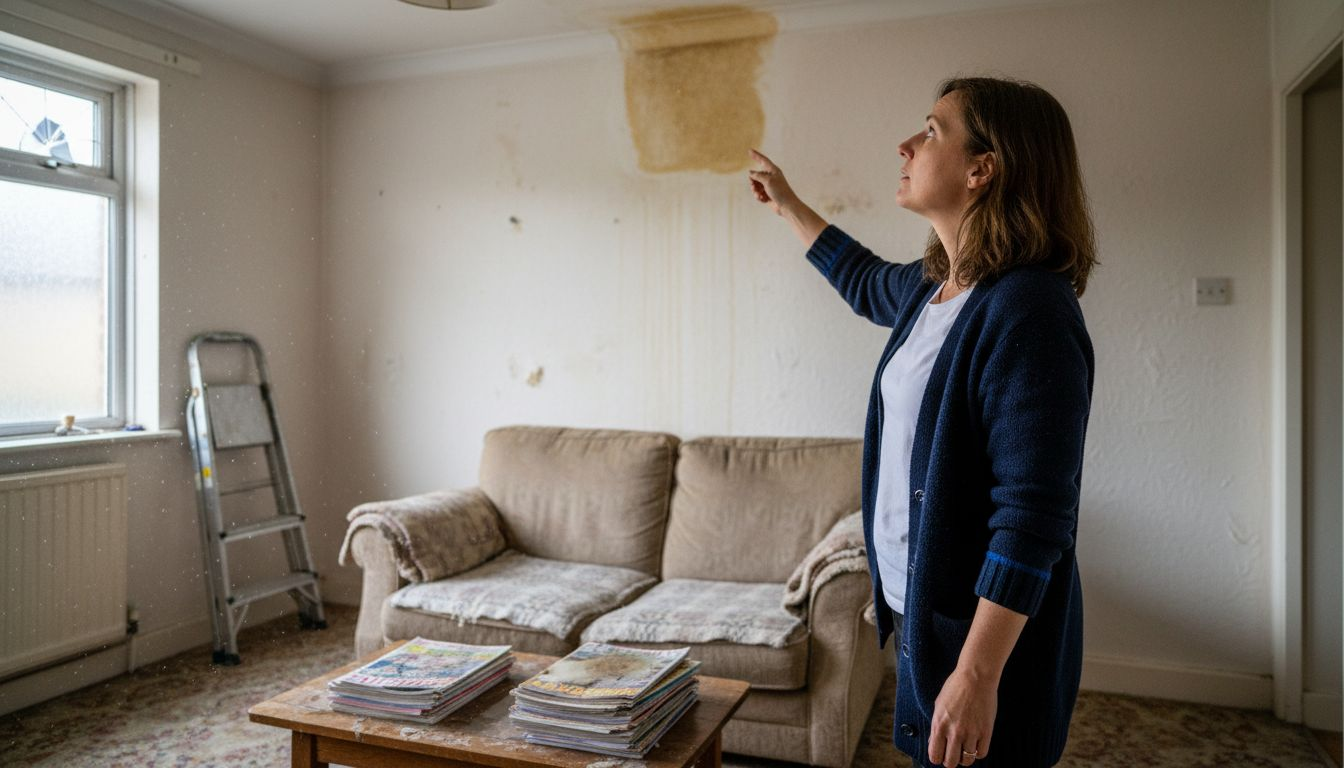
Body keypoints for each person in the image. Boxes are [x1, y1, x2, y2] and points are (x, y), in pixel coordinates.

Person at [748, 76, 1096, 768]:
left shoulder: (1030, 309)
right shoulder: (932, 290)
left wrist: (977, 675)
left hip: (981, 640)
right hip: (921, 615)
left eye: (932, 130)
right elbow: (860, 275)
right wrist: (787, 204)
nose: (906, 144)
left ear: (982, 169)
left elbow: (1032, 517)